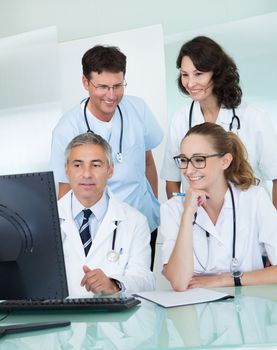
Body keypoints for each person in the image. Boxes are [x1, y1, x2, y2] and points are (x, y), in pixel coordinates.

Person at [51, 45, 163, 270]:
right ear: (85, 82)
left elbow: (148, 162)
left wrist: (151, 205)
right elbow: (65, 188)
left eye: (118, 86)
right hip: (96, 229)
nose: (112, 96)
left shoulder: (137, 109)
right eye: (102, 87)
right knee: (98, 291)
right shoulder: (67, 128)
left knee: (138, 289)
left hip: (141, 220)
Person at [161, 36, 277, 207]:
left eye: (198, 74)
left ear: (217, 72)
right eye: (185, 75)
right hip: (200, 224)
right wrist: (183, 218)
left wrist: (272, 225)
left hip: (249, 221)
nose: (190, 83)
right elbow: (172, 181)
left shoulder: (254, 117)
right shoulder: (180, 119)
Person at [161, 122, 277, 291]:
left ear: (225, 161)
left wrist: (225, 279)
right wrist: (187, 214)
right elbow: (179, 282)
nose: (188, 170)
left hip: (246, 308)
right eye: (184, 160)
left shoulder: (254, 199)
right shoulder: (172, 209)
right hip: (196, 311)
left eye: (199, 160)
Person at [58, 132, 155, 297]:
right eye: (77, 165)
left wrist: (114, 284)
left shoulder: (135, 221)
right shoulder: (47, 219)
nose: (87, 174)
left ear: (110, 170)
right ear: (66, 170)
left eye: (96, 165)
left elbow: (145, 279)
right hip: (60, 317)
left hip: (112, 320)